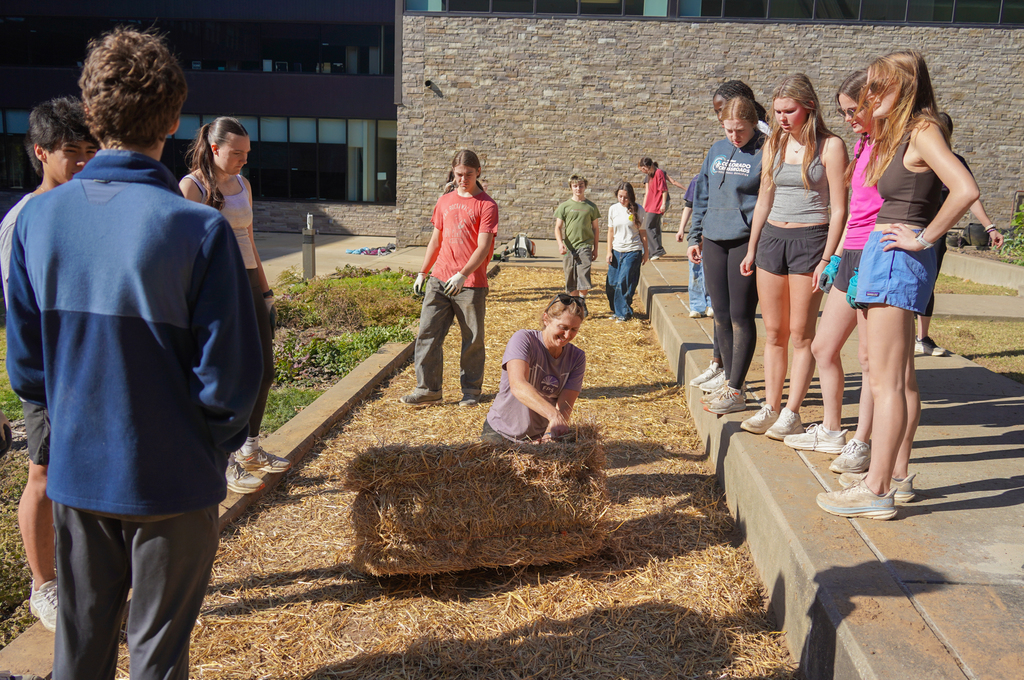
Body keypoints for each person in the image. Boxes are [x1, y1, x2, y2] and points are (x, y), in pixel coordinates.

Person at [5, 27, 262, 680]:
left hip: (77, 474)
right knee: (156, 657)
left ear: (91, 116)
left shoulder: (37, 220)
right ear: (177, 121)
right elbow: (232, 381)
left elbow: (28, 371)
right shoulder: (197, 228)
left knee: (81, 650)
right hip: (172, 481)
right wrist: (205, 447)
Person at [817, 50, 979, 520]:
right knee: (896, 379)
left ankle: (877, 487)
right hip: (881, 257)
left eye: (877, 86)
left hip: (894, 260)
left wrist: (924, 238)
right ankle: (895, 478)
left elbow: (965, 190)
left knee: (886, 383)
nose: (868, 96)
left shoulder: (924, 130)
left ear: (904, 87)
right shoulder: (902, 133)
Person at [0, 96, 97, 632]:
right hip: (45, 373)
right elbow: (20, 313)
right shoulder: (24, 220)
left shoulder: (87, 208)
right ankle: (44, 586)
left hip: (89, 368)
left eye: (90, 149)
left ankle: (85, 574)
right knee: (43, 472)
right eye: (71, 152)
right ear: (40, 151)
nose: (83, 162)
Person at [180, 116, 290, 495]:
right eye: (236, 153)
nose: (244, 159)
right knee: (226, 376)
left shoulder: (242, 184)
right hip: (215, 288)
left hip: (246, 282)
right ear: (214, 148)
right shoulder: (192, 188)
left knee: (263, 369)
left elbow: (249, 239)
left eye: (247, 153)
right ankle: (226, 461)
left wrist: (265, 290)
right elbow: (186, 253)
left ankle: (251, 448)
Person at [739, 74, 848, 440]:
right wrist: (752, 248)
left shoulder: (831, 146)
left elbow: (838, 209)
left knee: (801, 333)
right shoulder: (775, 142)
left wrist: (826, 258)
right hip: (772, 238)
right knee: (774, 332)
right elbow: (764, 200)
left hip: (811, 239)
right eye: (778, 111)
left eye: (790, 110)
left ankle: (792, 411)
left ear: (809, 107)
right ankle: (770, 404)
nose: (782, 117)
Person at [783, 70, 876, 473]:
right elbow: (856, 209)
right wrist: (835, 256)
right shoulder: (864, 143)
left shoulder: (895, 143)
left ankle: (862, 442)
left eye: (855, 110)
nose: (849, 117)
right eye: (844, 111)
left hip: (875, 255)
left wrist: (922, 241)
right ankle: (833, 429)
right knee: (822, 346)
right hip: (850, 252)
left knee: (872, 361)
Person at [401, 149, 498, 407]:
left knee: (472, 340)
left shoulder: (486, 205)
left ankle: (471, 391)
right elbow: (436, 240)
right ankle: (428, 389)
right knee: (427, 333)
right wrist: (423, 271)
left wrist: (463, 274)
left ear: (478, 172)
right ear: (453, 173)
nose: (463, 179)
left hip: (470, 284)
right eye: (458, 174)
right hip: (439, 279)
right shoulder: (444, 201)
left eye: (468, 174)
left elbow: (484, 247)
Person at [688, 95, 766, 415]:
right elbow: (702, 194)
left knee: (740, 315)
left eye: (741, 130)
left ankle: (736, 388)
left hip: (744, 241)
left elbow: (767, 200)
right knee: (719, 315)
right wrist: (695, 235)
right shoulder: (717, 150)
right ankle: (731, 382)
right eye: (728, 129)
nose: (734, 136)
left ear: (753, 124)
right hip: (714, 238)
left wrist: (757, 245)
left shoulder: (765, 150)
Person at [914, 111, 1005, 357]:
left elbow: (970, 196)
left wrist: (990, 227)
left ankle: (922, 337)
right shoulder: (915, 158)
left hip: (936, 233)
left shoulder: (954, 162)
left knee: (927, 281)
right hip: (911, 226)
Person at [482, 295, 587, 443]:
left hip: (539, 435)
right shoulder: (524, 339)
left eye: (574, 329)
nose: (567, 335)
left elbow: (565, 405)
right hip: (502, 432)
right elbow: (518, 385)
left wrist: (549, 435)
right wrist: (554, 416)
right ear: (546, 319)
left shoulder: (577, 357)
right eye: (563, 327)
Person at [605, 181, 648, 322]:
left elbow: (643, 233)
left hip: (632, 250)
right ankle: (617, 310)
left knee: (623, 282)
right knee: (611, 283)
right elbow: (610, 231)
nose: (622, 200)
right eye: (620, 196)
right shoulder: (613, 209)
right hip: (617, 250)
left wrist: (646, 251)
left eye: (625, 197)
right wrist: (609, 251)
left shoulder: (639, 210)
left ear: (631, 197)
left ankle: (623, 312)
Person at [554, 174, 601, 304]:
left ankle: (582, 302)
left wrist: (596, 248)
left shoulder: (591, 206)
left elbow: (596, 228)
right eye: (575, 186)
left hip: (584, 246)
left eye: (581, 186)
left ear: (585, 187)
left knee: (584, 275)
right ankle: (574, 303)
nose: (578, 188)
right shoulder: (564, 206)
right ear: (571, 187)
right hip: (569, 247)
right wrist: (560, 243)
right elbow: (558, 227)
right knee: (570, 277)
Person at [677, 177, 713, 319]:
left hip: (714, 232)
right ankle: (697, 306)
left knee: (712, 269)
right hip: (698, 231)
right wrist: (681, 229)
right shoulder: (697, 180)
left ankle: (711, 304)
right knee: (696, 269)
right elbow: (689, 205)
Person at [637, 157, 669, 260]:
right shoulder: (649, 175)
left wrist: (663, 204)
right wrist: (642, 207)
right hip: (649, 205)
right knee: (654, 228)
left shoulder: (659, 172)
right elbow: (647, 193)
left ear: (645, 167)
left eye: (642, 169)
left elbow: (664, 189)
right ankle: (654, 251)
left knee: (648, 227)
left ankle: (657, 250)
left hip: (656, 205)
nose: (642, 171)